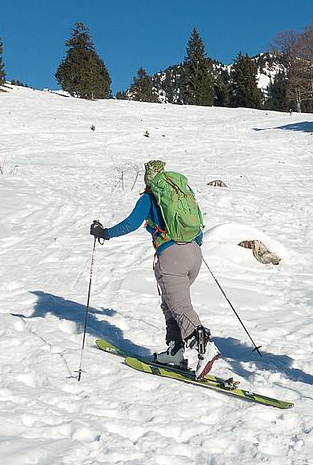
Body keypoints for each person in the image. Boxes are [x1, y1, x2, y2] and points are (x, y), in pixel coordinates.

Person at [90, 159, 219, 379]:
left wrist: (105, 233)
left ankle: (205, 348)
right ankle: (175, 351)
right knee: (170, 302)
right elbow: (197, 230)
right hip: (194, 255)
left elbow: (131, 224)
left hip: (172, 258)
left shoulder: (150, 198)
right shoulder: (182, 196)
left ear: (147, 178)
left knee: (179, 306)